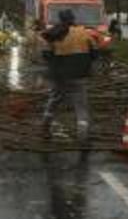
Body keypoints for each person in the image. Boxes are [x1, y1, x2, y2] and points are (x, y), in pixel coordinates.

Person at [40, 9, 98, 144]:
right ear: (73, 18)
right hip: (79, 75)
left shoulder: (53, 33)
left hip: (59, 75)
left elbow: (46, 56)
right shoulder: (84, 33)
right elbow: (95, 54)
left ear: (60, 19)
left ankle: (45, 126)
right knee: (81, 105)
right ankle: (82, 134)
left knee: (54, 99)